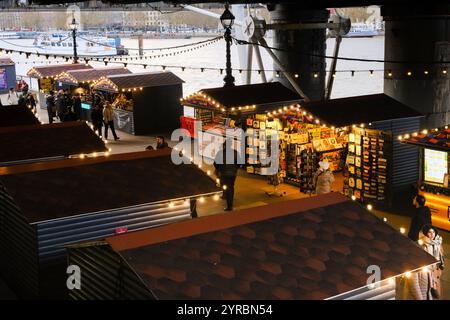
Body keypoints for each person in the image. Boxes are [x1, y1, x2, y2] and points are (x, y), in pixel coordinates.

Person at [419, 225, 445, 299]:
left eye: (433, 232)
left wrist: (441, 267)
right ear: (426, 233)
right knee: (428, 291)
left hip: (436, 271)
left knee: (437, 293)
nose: (432, 234)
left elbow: (441, 255)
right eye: (429, 232)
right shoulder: (423, 244)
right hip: (427, 272)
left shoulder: (437, 242)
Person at [214, 140, 239, 211]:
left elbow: (215, 163)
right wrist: (235, 168)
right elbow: (239, 163)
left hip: (224, 173)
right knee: (231, 186)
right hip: (233, 173)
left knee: (227, 187)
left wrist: (218, 169)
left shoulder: (220, 153)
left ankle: (229, 206)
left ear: (224, 145)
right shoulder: (235, 152)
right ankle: (227, 197)